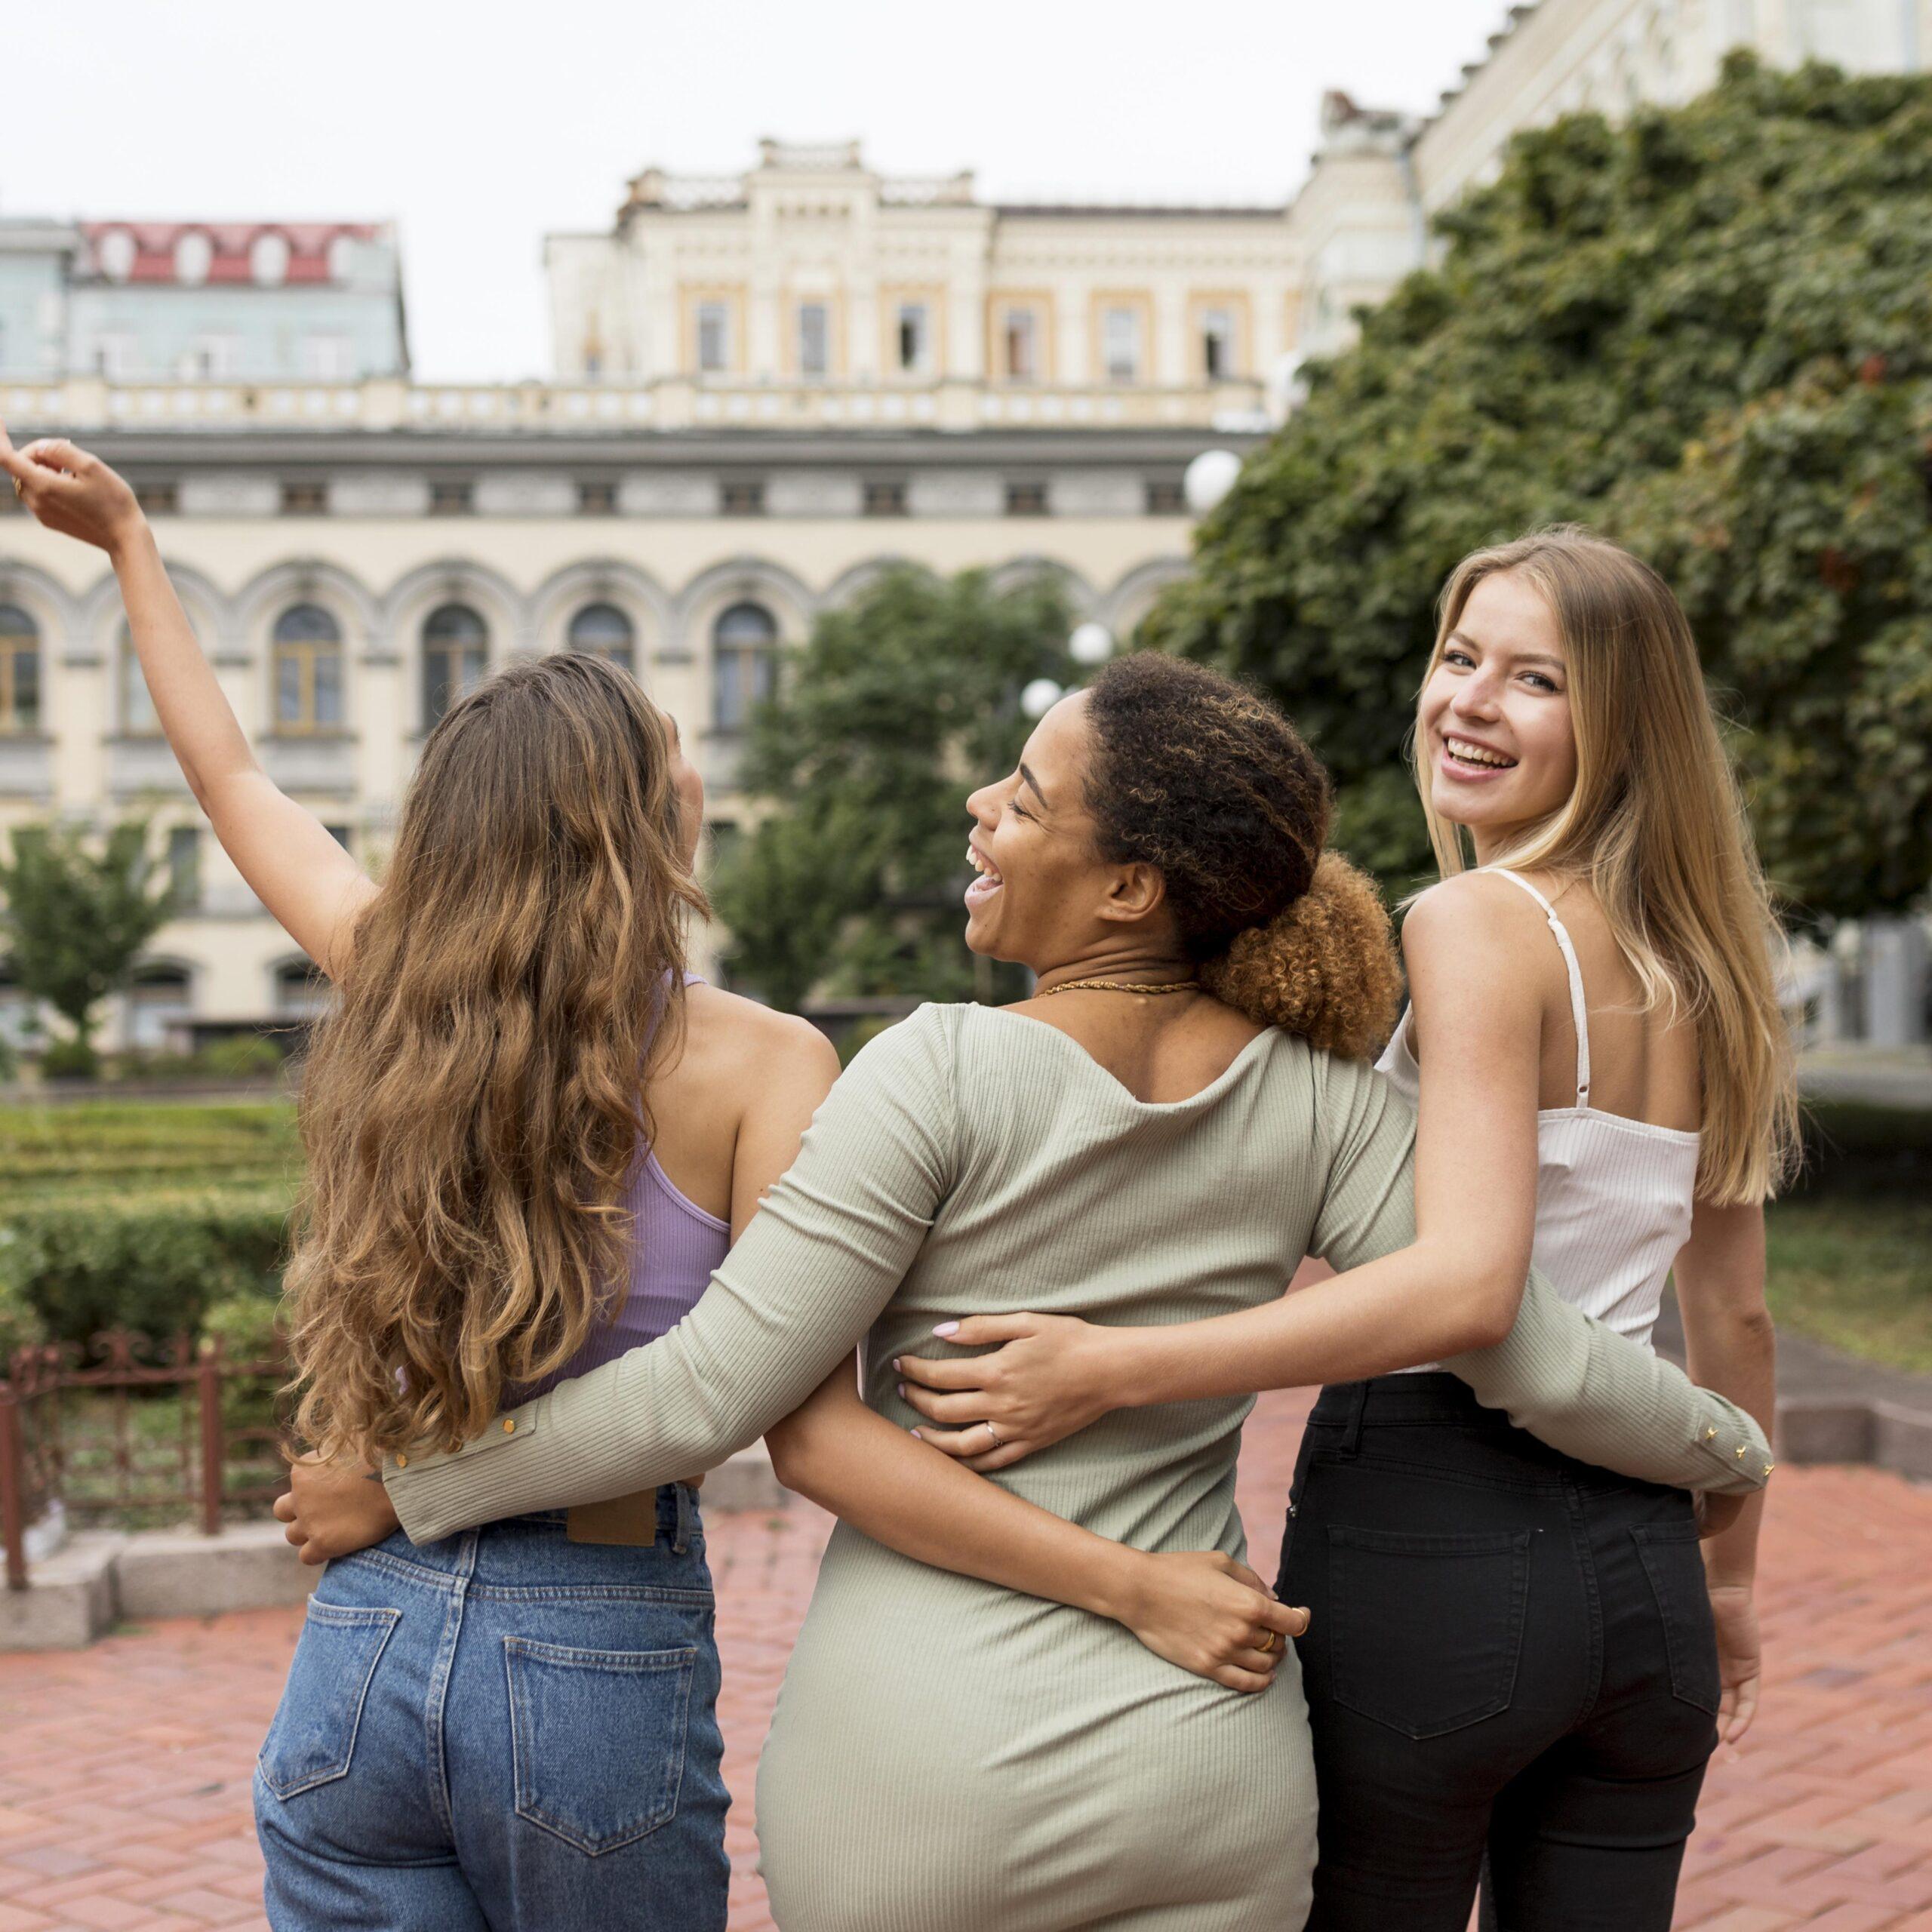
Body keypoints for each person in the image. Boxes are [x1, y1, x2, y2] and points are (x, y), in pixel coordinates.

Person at [0, 424, 1308, 1932]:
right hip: (595, 1641)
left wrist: (132, 551)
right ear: (641, 821)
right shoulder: (766, 1065)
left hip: (360, 1634)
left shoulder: (390, 977)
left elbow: (228, 772)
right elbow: (796, 1420)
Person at [268, 638, 1770, 1929]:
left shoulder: (930, 1066)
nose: (979, 808)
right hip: (1205, 1748)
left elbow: (716, 1391)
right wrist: (1722, 1448)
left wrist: (423, 1482)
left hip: (911, 1775)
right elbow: (1528, 1344)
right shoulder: (1319, 1104)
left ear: (1127, 887)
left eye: (1024, 797)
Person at [893, 530, 1794, 1930]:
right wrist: (1728, 1579)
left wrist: (1114, 1364)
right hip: (1650, 1572)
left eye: (1535, 679)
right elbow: (1733, 1322)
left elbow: (1465, 1288)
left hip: (1442, 1536)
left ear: (1624, 726)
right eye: (1459, 657)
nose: (1470, 702)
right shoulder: (1714, 961)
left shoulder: (1481, 923)